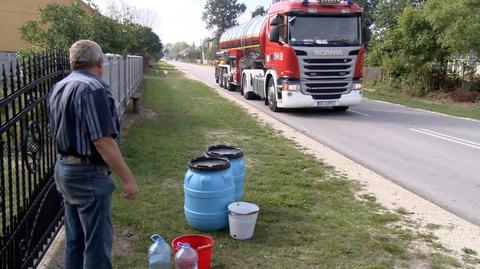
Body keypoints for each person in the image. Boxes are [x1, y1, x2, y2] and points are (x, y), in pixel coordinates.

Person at [48, 40, 139, 269]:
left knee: (75, 241)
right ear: (100, 63)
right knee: (96, 247)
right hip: (87, 175)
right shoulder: (94, 89)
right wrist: (128, 179)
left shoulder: (60, 86)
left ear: (73, 63)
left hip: (64, 169)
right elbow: (103, 142)